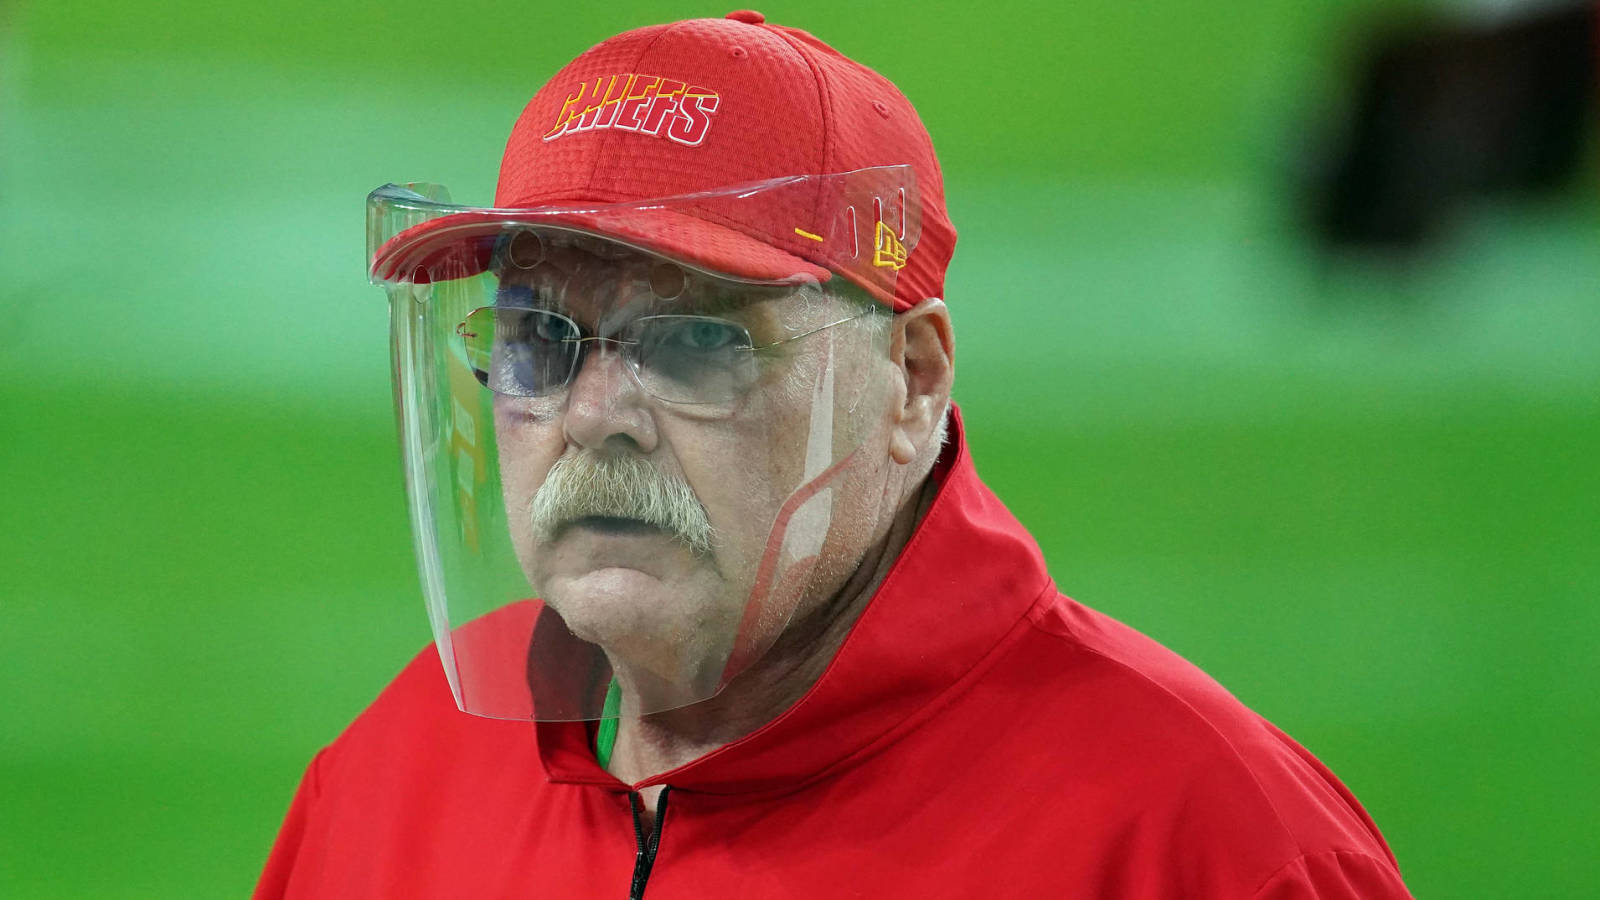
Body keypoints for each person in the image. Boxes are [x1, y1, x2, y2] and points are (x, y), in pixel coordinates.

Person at [257, 11, 1416, 898]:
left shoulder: (1206, 844)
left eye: (694, 341)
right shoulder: (392, 779)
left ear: (910, 379)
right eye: (536, 340)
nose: (594, 411)